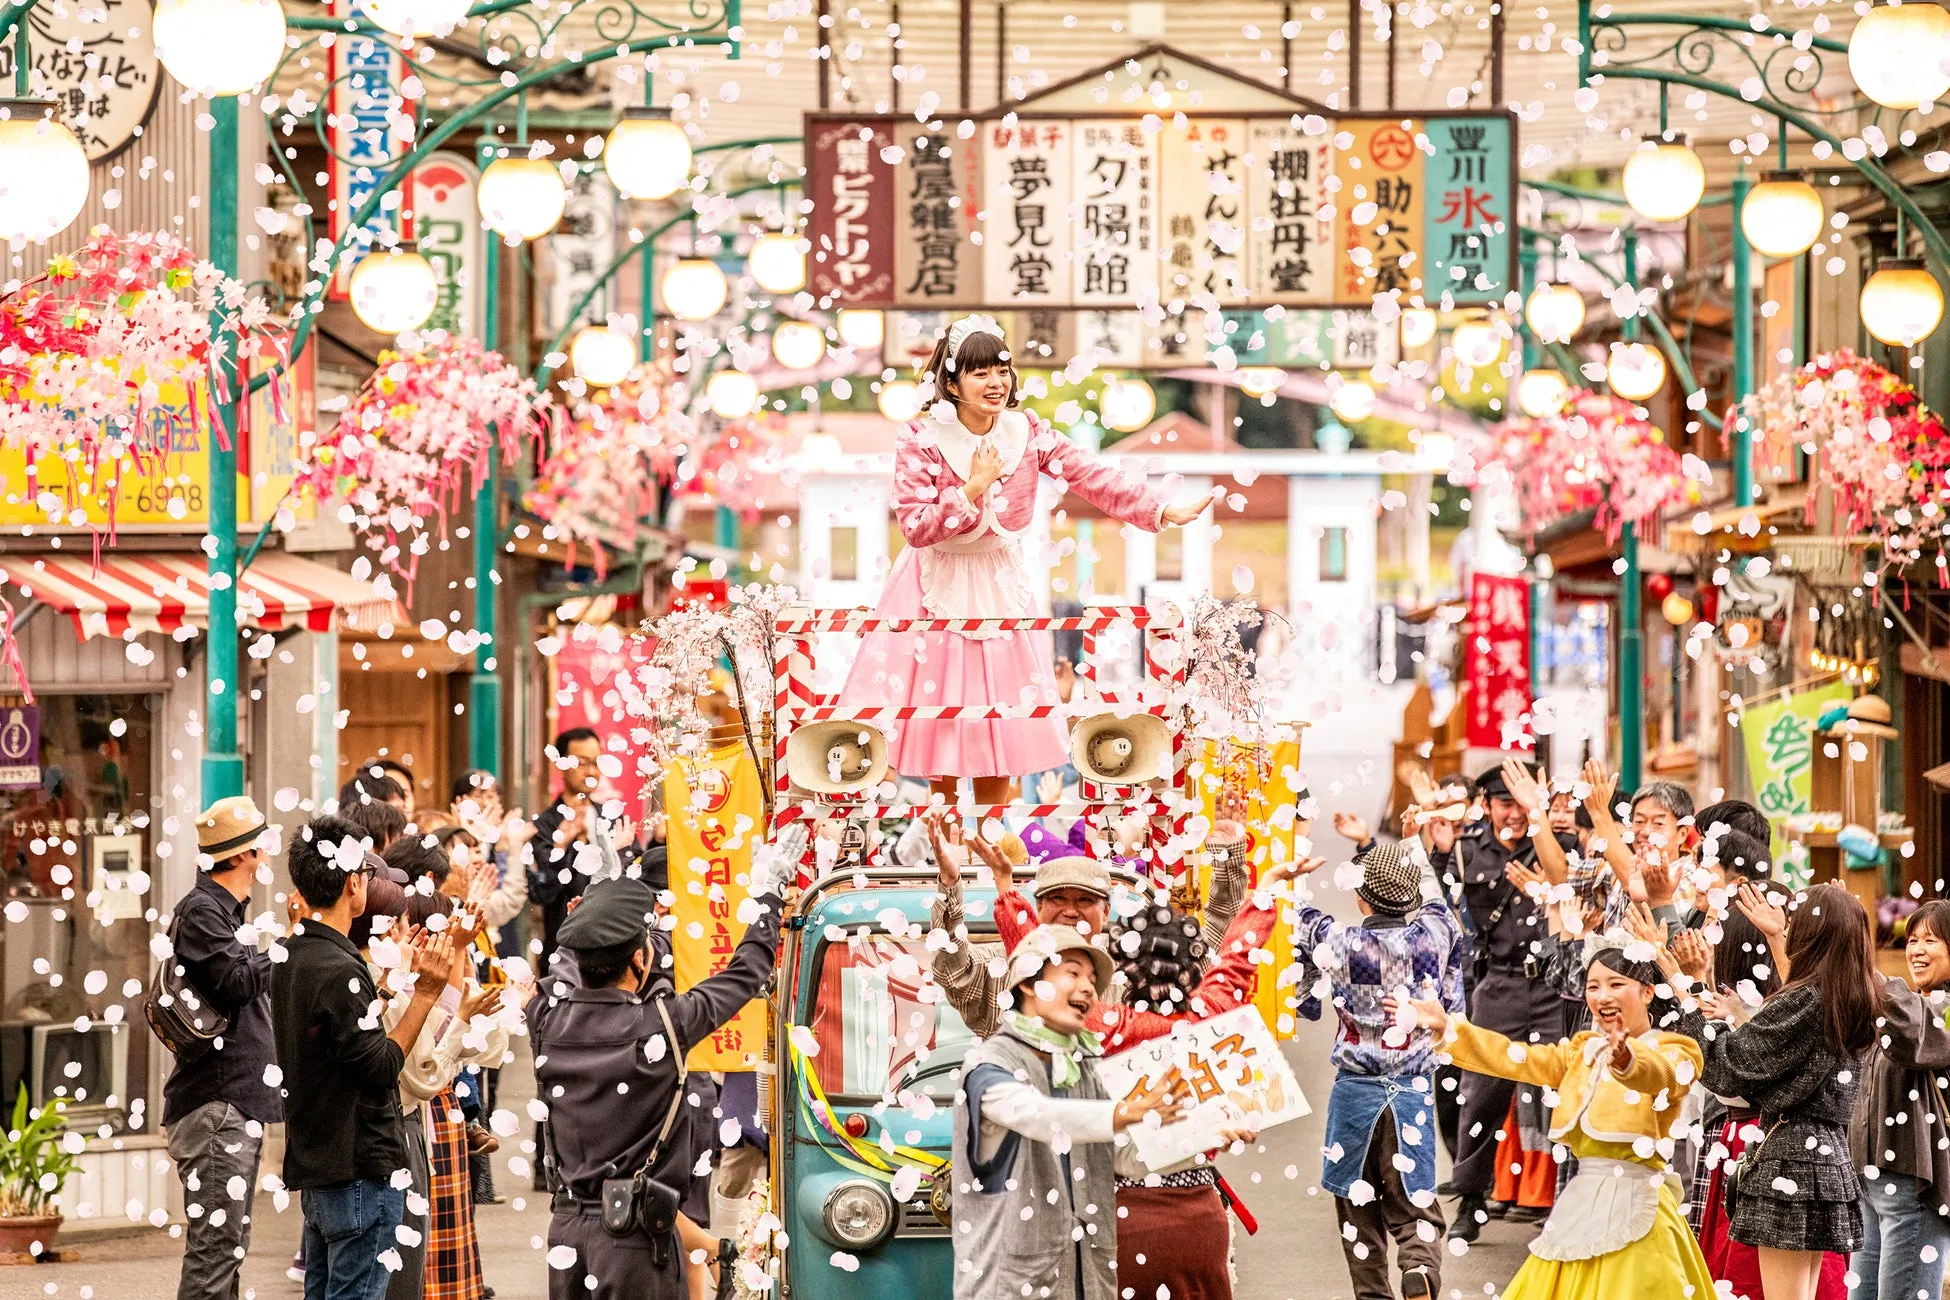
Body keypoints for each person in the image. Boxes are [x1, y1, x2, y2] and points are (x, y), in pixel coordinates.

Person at [836, 314, 1220, 806]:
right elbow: (914, 526)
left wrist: (1158, 510)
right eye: (980, 373)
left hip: (1000, 579)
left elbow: (1087, 474)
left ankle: (992, 842)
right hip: (933, 580)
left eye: (1002, 370)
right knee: (939, 713)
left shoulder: (1026, 430)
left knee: (1003, 716)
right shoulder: (920, 436)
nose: (995, 382)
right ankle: (945, 840)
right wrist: (972, 488)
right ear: (951, 383)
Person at [1388, 932, 1719, 1300]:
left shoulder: (1675, 1049)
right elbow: (1516, 1058)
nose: (1603, 996)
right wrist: (1450, 1029)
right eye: (1593, 986)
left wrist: (1627, 1059)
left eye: (1616, 984)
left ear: (1647, 992)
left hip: (1639, 1204)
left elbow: (1660, 1075)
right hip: (1580, 1202)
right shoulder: (1583, 1051)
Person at [533, 856, 783, 1300]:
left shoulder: (546, 1022)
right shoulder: (664, 1025)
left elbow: (564, 972)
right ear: (640, 958)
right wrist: (770, 893)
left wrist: (592, 910)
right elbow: (746, 972)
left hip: (566, 1233)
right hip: (634, 1238)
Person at [949, 924, 1195, 1300]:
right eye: (1073, 973)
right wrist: (1128, 1111)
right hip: (1013, 1289)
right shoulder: (989, 1064)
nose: (1088, 989)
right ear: (1029, 983)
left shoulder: (1084, 1065)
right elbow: (1039, 1117)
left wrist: (1204, 1139)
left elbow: (1126, 1158)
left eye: (1092, 980)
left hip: (1089, 1283)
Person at [273, 815, 457, 1300]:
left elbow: (334, 1039)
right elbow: (379, 1066)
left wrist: (387, 987)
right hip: (357, 1166)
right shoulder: (338, 967)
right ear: (353, 882)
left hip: (317, 1161)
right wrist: (425, 995)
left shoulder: (293, 953)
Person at [1678, 881, 1880, 1300]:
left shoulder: (1807, 999)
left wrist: (1692, 992)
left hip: (1789, 1157)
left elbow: (1731, 1067)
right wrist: (1778, 935)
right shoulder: (1854, 996)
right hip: (1827, 1153)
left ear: (1810, 933)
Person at [1291, 842, 1463, 1300]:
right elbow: (1437, 899)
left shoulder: (1337, 942)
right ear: (1410, 896)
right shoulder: (1435, 933)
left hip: (1354, 1093)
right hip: (1412, 1090)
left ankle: (1372, 1294)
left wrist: (1293, 855)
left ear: (1361, 898)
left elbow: (1293, 911)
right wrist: (1412, 844)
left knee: (1357, 1211)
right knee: (1415, 1204)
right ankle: (1419, 1267)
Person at [1420, 762, 1577, 1240]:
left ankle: (1566, 1201)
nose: (1514, 813)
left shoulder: (1556, 843)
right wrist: (1436, 852)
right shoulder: (1465, 849)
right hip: (1499, 983)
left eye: (1520, 802)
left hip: (1553, 986)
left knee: (1566, 1092)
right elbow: (1436, 903)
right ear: (1485, 805)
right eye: (1504, 803)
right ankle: (1471, 1200)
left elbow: (1570, 884)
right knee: (1480, 1094)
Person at [165, 796, 280, 1300]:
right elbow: (235, 981)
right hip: (216, 1104)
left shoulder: (227, 914)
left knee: (227, 1248)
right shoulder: (201, 912)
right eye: (261, 846)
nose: (267, 855)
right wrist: (287, 948)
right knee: (215, 1252)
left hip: (233, 1103)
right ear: (240, 855)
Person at [1850, 898, 1950, 1300]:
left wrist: (1851, 946)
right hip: (1870, 1185)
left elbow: (1910, 1033)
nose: (1917, 950)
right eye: (1912, 940)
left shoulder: (1937, 1012)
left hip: (1915, 1188)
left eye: (1931, 940)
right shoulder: (1907, 1005)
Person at [528, 727, 623, 960]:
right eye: (582, 763)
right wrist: (563, 845)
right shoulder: (544, 826)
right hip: (565, 950)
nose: (591, 771)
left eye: (596, 763)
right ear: (560, 765)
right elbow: (542, 891)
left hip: (614, 944)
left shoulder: (611, 817)